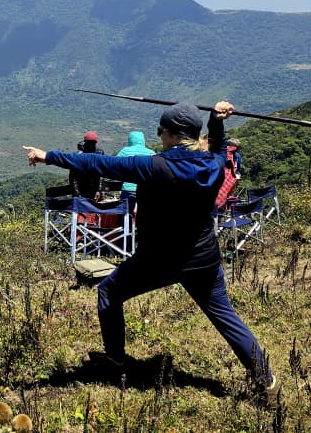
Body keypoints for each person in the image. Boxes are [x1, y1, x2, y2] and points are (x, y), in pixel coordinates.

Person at [23, 102, 277, 401]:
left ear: (170, 134)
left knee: (109, 292)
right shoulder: (213, 165)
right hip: (204, 259)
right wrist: (217, 122)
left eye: (161, 131)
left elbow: (96, 164)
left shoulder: (151, 167)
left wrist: (48, 156)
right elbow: (220, 150)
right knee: (225, 317)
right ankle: (267, 382)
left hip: (160, 261)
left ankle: (116, 360)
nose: (160, 136)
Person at [114, 130, 154, 214]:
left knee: (125, 215)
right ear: (143, 140)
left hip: (128, 189)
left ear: (130, 140)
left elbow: (114, 165)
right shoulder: (151, 153)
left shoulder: (125, 151)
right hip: (146, 191)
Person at [70, 131, 105, 199]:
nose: (91, 145)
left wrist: (99, 190)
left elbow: (101, 174)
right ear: (85, 142)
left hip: (95, 188)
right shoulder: (79, 155)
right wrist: (77, 194)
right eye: (89, 143)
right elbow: (72, 176)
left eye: (93, 143)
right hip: (81, 188)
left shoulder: (99, 153)